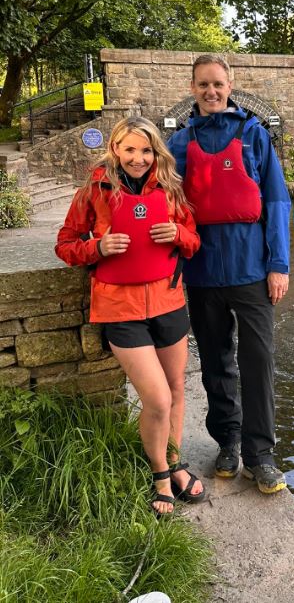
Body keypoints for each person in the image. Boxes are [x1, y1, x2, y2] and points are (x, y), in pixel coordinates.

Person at [55, 117, 205, 516]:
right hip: (119, 307)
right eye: (130, 149)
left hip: (168, 301)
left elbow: (193, 241)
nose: (138, 159)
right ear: (115, 149)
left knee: (175, 389)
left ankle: (174, 462)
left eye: (146, 150)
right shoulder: (94, 190)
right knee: (155, 398)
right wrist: (98, 247)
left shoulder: (171, 188)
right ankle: (160, 474)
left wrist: (177, 234)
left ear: (156, 152)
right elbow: (66, 244)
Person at [167, 53, 291, 495]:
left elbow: (277, 202)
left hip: (252, 269)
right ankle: (228, 442)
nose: (211, 92)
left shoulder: (254, 135)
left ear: (230, 84)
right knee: (216, 361)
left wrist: (279, 265)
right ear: (193, 88)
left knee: (257, 361)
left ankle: (261, 455)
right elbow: (167, 203)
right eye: (203, 85)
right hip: (202, 271)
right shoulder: (180, 143)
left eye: (217, 84)